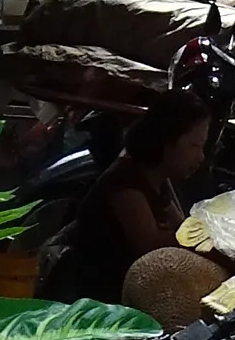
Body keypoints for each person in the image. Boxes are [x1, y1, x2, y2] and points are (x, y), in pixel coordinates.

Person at [40, 93, 214, 304]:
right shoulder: (124, 183)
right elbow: (152, 248)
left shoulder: (158, 180)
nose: (200, 157)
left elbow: (184, 228)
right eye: (194, 146)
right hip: (102, 305)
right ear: (168, 140)